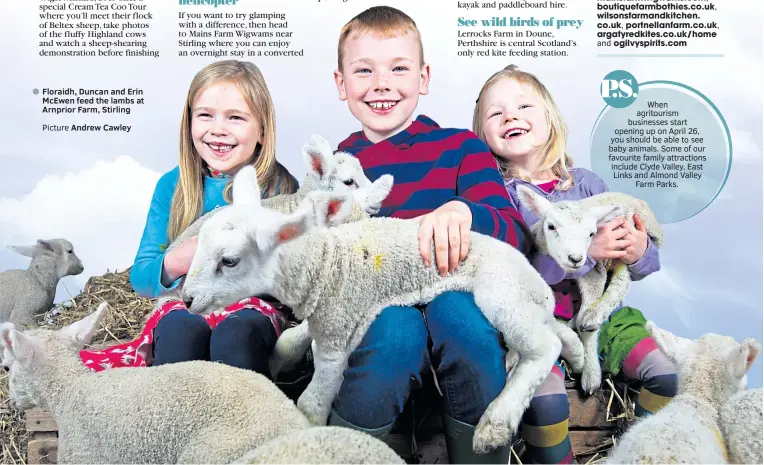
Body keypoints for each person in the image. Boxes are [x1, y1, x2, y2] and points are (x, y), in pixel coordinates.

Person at [327, 6, 531, 464]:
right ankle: (342, 454)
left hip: (453, 286)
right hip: (377, 301)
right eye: (364, 70)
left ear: (423, 77)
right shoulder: (338, 163)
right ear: (342, 84)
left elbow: (514, 234)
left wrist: (465, 211)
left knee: (464, 323)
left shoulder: (461, 146)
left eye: (399, 68)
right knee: (394, 334)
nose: (382, 84)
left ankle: (481, 454)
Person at [473, 64, 677, 464]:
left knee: (667, 374)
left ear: (550, 117)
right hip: (537, 321)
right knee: (546, 401)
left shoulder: (589, 185)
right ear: (482, 134)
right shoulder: (499, 196)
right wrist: (587, 255)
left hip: (603, 314)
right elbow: (522, 271)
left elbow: (637, 265)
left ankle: (638, 450)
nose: (510, 116)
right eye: (496, 113)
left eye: (523, 106)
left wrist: (637, 250)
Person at [79, 60, 298, 376]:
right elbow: (141, 276)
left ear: (261, 130)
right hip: (184, 303)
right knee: (181, 330)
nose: (218, 129)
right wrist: (178, 261)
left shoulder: (281, 188)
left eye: (236, 118)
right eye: (205, 115)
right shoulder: (173, 187)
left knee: (237, 333)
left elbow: (291, 268)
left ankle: (240, 422)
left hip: (250, 306)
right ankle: (175, 420)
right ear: (189, 122)